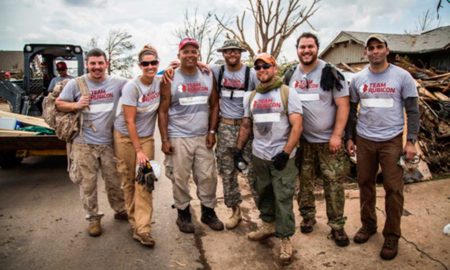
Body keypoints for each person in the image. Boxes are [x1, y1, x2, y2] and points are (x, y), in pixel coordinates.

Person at [345, 34, 419, 260]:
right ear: (365, 52)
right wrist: (350, 138)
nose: (375, 51)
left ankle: (392, 235)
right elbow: (351, 111)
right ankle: (368, 226)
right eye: (371, 48)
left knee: (393, 189)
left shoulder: (402, 76)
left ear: (387, 50)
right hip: (365, 140)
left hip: (392, 141)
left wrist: (411, 140)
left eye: (379, 47)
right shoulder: (358, 79)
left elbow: (413, 111)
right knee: (365, 183)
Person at [235, 53, 303, 264]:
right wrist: (239, 149)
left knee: (282, 198)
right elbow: (247, 125)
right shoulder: (251, 96)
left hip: (282, 157)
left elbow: (297, 125)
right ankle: (268, 224)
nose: (262, 70)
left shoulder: (287, 93)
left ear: (275, 68)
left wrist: (285, 152)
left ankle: (285, 238)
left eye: (266, 66)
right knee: (263, 192)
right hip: (259, 156)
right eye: (258, 67)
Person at [284, 32, 350, 246]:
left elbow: (343, 105)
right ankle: (308, 217)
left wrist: (337, 135)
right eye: (302, 47)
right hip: (302, 141)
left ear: (317, 47)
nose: (306, 50)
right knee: (304, 183)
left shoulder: (331, 72)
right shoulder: (290, 74)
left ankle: (337, 226)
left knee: (333, 184)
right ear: (297, 49)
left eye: (310, 46)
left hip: (328, 141)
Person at [55, 48, 127, 237]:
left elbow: (141, 85)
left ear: (106, 63)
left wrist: (169, 71)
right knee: (88, 184)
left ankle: (121, 209)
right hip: (83, 144)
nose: (96, 67)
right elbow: (59, 103)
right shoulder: (76, 83)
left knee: (114, 180)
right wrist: (75, 105)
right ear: (87, 64)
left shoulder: (118, 82)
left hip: (108, 143)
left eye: (100, 63)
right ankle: (93, 218)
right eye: (92, 63)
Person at [158, 37, 224, 234]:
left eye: (193, 51)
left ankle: (208, 212)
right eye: (185, 51)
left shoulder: (207, 75)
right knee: (180, 178)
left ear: (198, 54)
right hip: (178, 136)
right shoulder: (170, 78)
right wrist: (164, 140)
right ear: (179, 55)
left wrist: (212, 131)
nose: (190, 55)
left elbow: (214, 105)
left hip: (203, 136)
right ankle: (183, 213)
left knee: (208, 176)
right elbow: (162, 111)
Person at [113, 45, 161, 247]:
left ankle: (142, 229)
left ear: (158, 64)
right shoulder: (132, 87)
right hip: (125, 137)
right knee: (128, 180)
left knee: (144, 179)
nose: (150, 66)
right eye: (145, 63)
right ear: (140, 65)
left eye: (153, 63)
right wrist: (138, 151)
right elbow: (130, 121)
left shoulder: (160, 81)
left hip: (146, 138)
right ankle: (134, 219)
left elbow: (181, 66)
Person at [212, 39, 259, 229]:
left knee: (252, 173)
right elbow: (198, 66)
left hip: (246, 128)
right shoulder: (218, 71)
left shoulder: (251, 73)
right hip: (224, 127)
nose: (232, 54)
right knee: (227, 172)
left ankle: (265, 214)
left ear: (241, 53)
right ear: (223, 53)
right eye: (228, 51)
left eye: (236, 51)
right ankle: (235, 211)